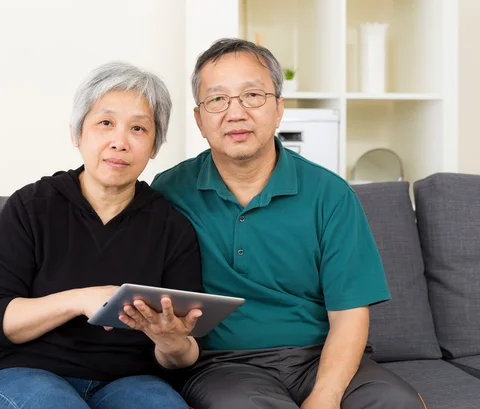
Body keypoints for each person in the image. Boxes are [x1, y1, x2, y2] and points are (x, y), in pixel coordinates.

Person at [151, 38, 426, 409]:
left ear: (279, 109)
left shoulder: (330, 194)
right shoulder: (170, 190)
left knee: (399, 404)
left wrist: (326, 396)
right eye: (217, 99)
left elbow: (349, 316)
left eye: (252, 95)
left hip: (321, 357)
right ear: (199, 119)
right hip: (224, 365)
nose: (235, 113)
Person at [0, 61, 204, 409]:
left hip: (131, 381)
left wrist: (171, 342)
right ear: (77, 133)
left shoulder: (172, 227)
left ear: (154, 146)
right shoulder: (32, 206)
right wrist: (80, 299)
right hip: (25, 374)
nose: (120, 142)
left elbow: (185, 354)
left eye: (138, 128)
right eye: (105, 123)